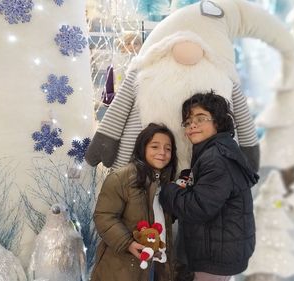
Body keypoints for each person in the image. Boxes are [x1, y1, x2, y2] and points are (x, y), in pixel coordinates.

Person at [160, 92, 259, 281]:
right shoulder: (218, 151)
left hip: (216, 256)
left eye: (200, 118)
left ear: (218, 122)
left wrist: (168, 190)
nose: (192, 125)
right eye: (187, 122)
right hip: (223, 250)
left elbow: (198, 207)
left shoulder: (216, 157)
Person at [91, 123, 178, 281]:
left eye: (168, 148)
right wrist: (128, 243)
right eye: (155, 146)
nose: (162, 153)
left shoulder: (167, 183)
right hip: (123, 266)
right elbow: (104, 216)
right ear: (142, 147)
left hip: (156, 262)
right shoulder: (121, 178)